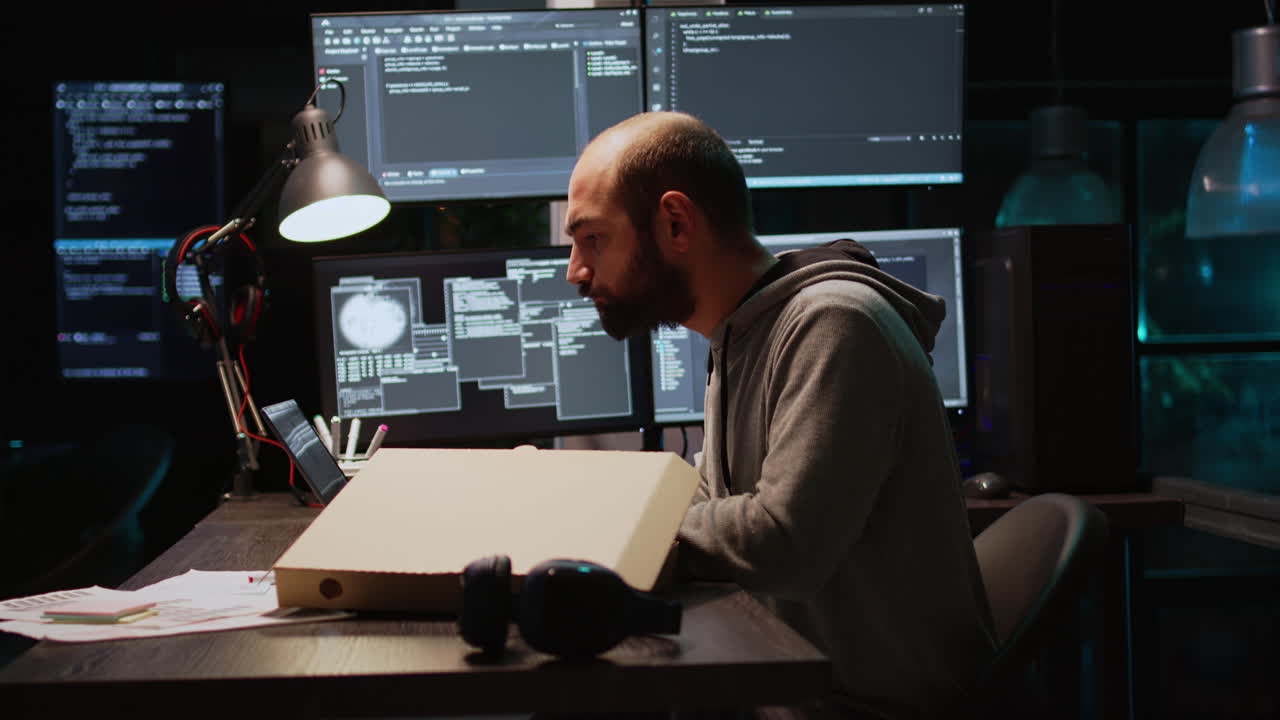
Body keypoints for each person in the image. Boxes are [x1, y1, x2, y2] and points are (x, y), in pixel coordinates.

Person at [563, 111, 995, 719]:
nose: (575, 271)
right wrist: (568, 496)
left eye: (592, 238)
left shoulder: (833, 324)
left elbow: (782, 543)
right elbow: (708, 501)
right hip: (787, 690)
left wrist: (613, 530)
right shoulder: (738, 334)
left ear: (676, 223)